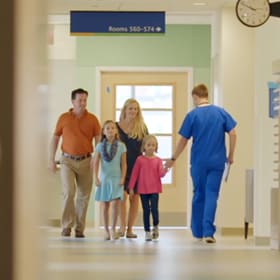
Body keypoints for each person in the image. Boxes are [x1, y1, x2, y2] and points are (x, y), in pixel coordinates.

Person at [165, 84, 237, 244]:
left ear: (195, 97)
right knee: (212, 194)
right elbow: (232, 133)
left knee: (199, 194)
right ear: (206, 95)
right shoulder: (220, 112)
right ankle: (208, 232)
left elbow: (183, 140)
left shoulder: (192, 115)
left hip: (199, 162)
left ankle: (197, 231)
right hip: (217, 161)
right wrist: (230, 155)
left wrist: (173, 158)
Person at [49, 88, 101, 238]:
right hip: (67, 161)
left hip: (86, 160)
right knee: (69, 192)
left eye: (85, 100)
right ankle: (66, 226)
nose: (83, 103)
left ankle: (79, 229)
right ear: (73, 101)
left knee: (84, 196)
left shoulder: (92, 119)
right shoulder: (64, 118)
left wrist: (96, 158)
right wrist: (51, 159)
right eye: (80, 100)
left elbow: (98, 140)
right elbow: (55, 139)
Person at [116, 98, 148, 238]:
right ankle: (121, 228)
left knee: (134, 198)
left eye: (135, 109)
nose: (133, 111)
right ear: (125, 110)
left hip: (137, 168)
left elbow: (147, 147)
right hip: (119, 168)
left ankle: (130, 229)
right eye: (130, 108)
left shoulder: (142, 128)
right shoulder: (115, 127)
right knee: (121, 197)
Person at [128, 135, 168, 241]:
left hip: (155, 189)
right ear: (144, 147)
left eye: (153, 145)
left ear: (156, 147)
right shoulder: (140, 160)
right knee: (146, 210)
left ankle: (155, 226)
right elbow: (134, 174)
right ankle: (147, 231)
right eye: (148, 145)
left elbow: (161, 174)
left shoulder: (158, 160)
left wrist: (166, 168)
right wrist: (131, 188)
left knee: (154, 210)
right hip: (143, 190)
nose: (151, 147)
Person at [94, 120, 127, 240]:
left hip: (116, 179)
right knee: (105, 205)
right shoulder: (99, 146)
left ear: (116, 130)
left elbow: (124, 164)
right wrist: (96, 178)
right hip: (104, 179)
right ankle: (106, 230)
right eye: (107, 128)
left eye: (113, 128)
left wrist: (123, 177)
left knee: (115, 204)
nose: (110, 130)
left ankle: (113, 228)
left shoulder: (121, 146)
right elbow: (96, 163)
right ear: (103, 131)